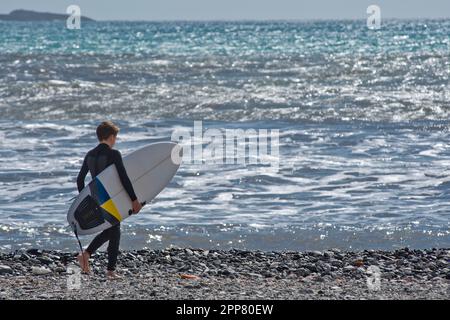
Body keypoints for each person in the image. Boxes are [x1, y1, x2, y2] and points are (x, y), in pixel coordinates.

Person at [76, 121, 142, 279]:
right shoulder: (114, 154)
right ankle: (108, 269)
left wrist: (86, 202)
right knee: (115, 230)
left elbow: (80, 180)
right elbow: (123, 178)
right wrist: (134, 199)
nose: (115, 141)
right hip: (112, 199)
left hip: (96, 199)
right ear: (111, 137)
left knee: (112, 230)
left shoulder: (89, 155)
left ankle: (88, 256)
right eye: (115, 137)